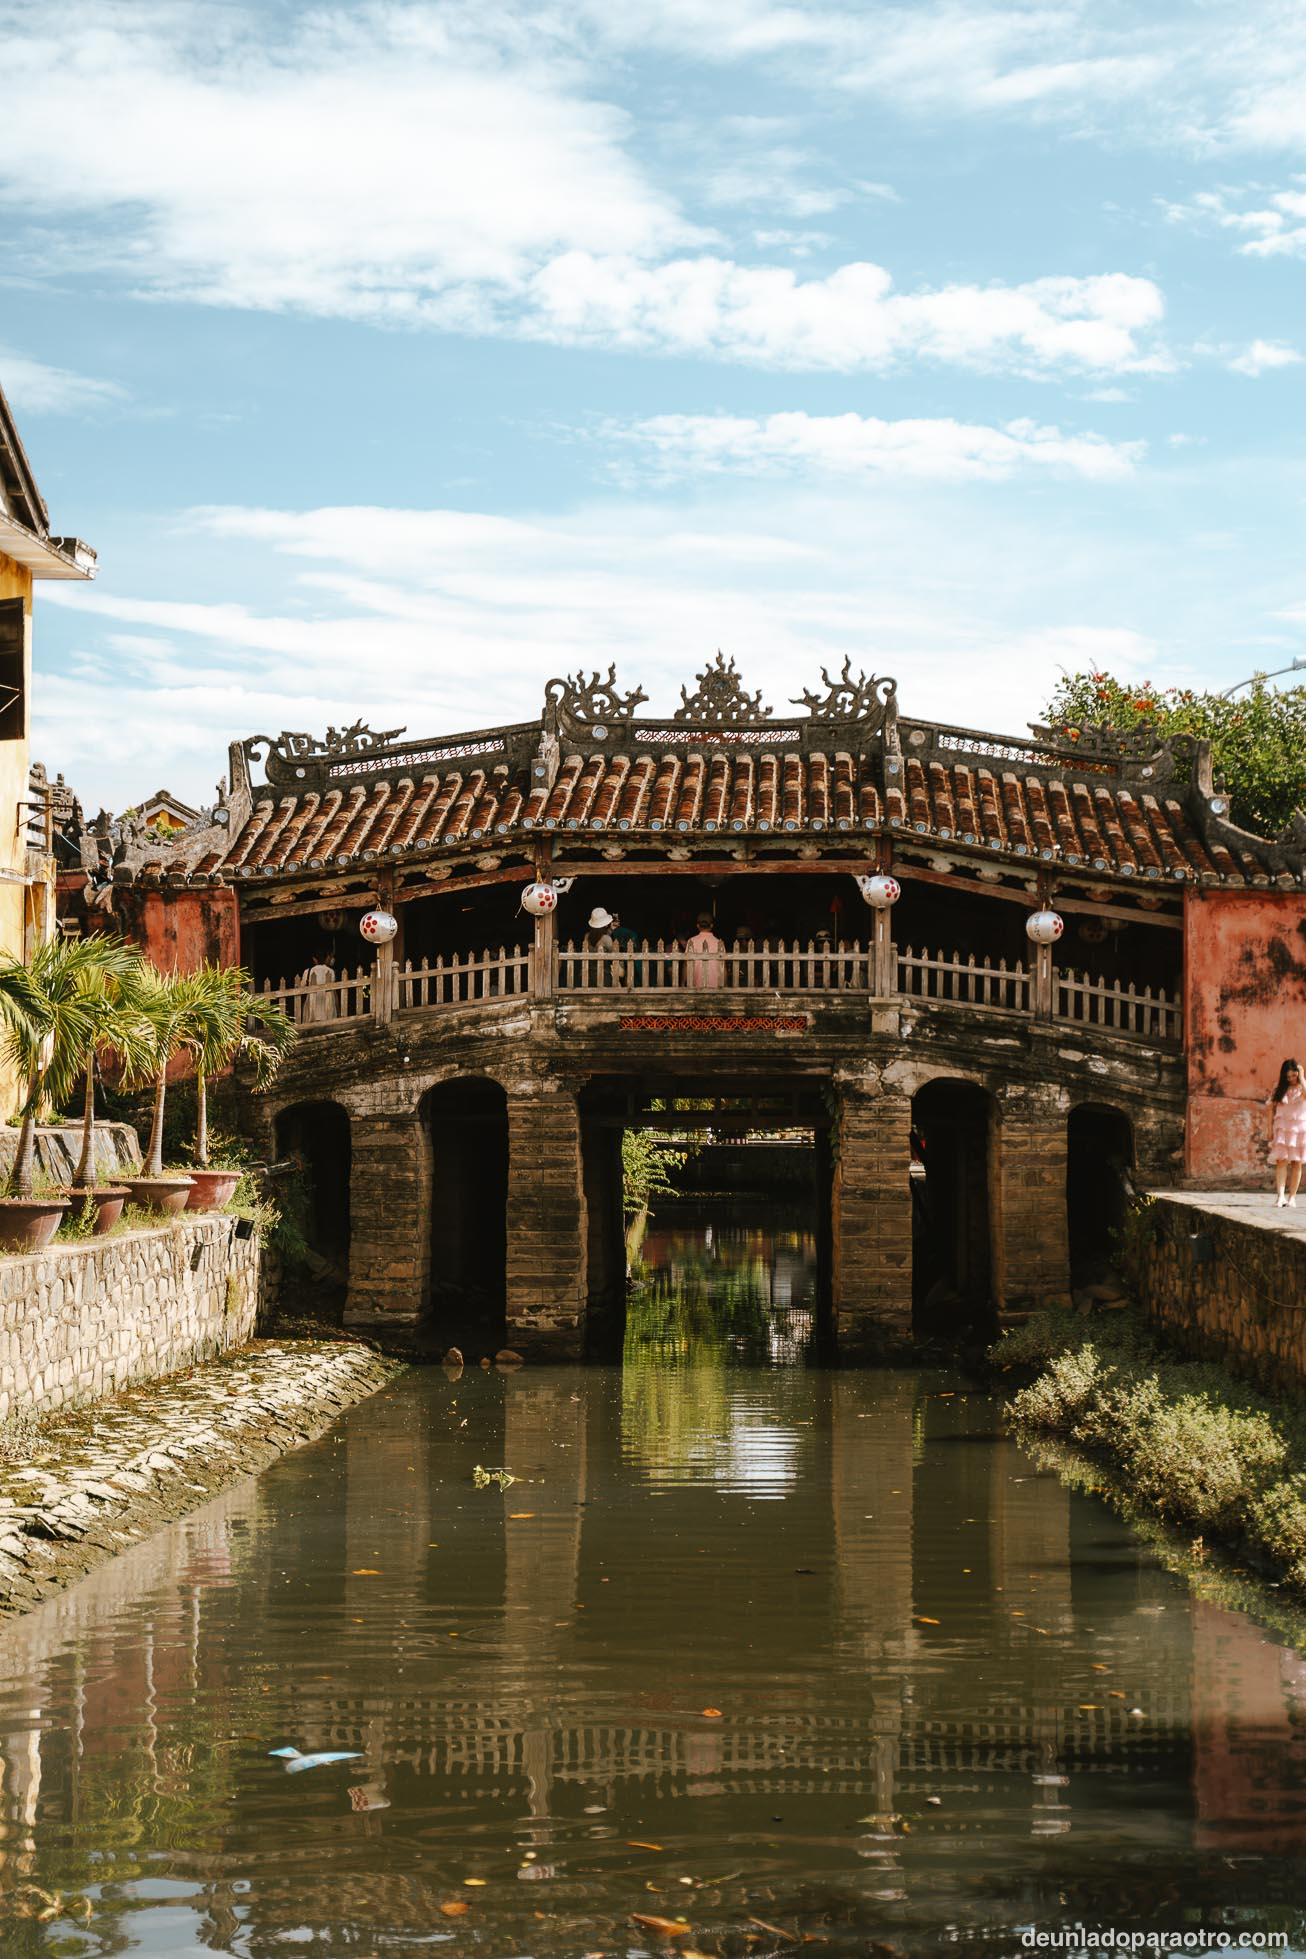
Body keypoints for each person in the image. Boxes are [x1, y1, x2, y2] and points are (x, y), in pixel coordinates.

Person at [1268, 1057, 1306, 1208]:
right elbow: (1271, 1109)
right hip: (1282, 1128)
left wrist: (1302, 1077)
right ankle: (1280, 1197)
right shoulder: (1279, 1087)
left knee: (1297, 1163)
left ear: (1298, 1073)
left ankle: (1292, 1198)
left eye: (1293, 1075)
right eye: (1288, 1076)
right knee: (1281, 1162)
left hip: (1299, 1129)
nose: (1290, 1079)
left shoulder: (1303, 1087)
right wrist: (1269, 1129)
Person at [685, 912, 725, 989]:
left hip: (696, 986)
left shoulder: (691, 941)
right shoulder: (719, 943)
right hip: (716, 987)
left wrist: (683, 983)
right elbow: (723, 967)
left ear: (697, 926)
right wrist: (724, 986)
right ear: (712, 925)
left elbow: (687, 965)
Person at [300, 949, 338, 1025]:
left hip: (312, 1007)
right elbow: (334, 990)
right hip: (328, 1007)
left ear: (314, 959)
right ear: (327, 958)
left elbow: (301, 988)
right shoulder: (330, 971)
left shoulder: (307, 972)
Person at [583, 906, 617, 987]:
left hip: (589, 975)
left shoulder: (587, 936)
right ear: (605, 924)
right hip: (605, 975)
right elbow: (614, 956)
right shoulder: (607, 939)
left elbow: (599, 938)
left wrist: (610, 930)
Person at [609, 909, 641, 988]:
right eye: (613, 921)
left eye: (617, 921)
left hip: (629, 952)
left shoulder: (618, 932)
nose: (615, 923)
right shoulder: (614, 932)